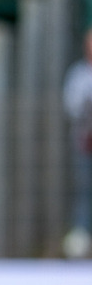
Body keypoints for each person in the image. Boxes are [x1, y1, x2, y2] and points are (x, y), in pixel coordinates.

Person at [62, 27, 92, 259]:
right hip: (85, 145)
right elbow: (72, 107)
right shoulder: (78, 74)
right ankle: (82, 241)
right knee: (84, 192)